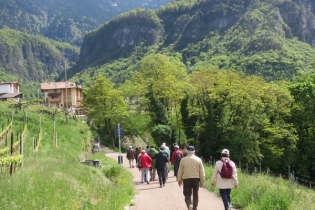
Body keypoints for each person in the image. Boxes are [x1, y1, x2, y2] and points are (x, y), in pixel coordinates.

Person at [178, 145, 205, 210]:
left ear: (187, 151)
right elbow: (202, 172)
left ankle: (189, 204)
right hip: (196, 179)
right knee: (195, 194)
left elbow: (180, 171)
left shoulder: (183, 160)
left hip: (186, 179)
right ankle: (194, 208)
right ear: (194, 152)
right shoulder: (198, 160)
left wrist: (179, 181)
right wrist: (202, 181)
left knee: (187, 194)